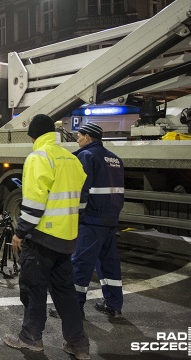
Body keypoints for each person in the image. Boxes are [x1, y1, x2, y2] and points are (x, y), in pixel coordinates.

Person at [3, 114, 90, 360]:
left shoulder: (38, 158)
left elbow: (33, 204)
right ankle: (78, 344)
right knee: (65, 293)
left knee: (33, 289)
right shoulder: (71, 158)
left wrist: (20, 233)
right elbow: (82, 200)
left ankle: (31, 338)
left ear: (33, 135)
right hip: (67, 237)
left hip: (42, 237)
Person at [73, 123, 125, 317]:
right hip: (111, 219)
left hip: (92, 220)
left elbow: (81, 190)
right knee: (109, 263)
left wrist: (76, 217)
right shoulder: (115, 159)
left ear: (87, 137)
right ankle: (114, 305)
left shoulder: (86, 156)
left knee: (81, 264)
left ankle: (73, 308)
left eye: (79, 136)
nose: (77, 140)